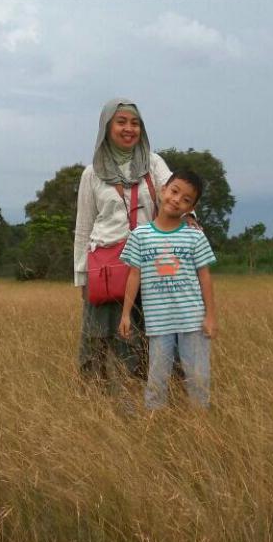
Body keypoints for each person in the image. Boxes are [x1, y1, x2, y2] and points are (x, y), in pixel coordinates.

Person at [73, 98, 172, 390]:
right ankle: (96, 398)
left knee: (145, 334)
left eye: (135, 123)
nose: (129, 129)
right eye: (121, 122)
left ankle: (145, 395)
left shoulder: (152, 163)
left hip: (148, 265)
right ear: (107, 127)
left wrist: (190, 217)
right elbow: (83, 227)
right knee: (97, 337)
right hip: (106, 267)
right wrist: (81, 275)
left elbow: (173, 192)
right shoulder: (91, 173)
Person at [118, 170, 218, 410]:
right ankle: (154, 423)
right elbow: (134, 275)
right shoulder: (140, 235)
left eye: (186, 199)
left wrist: (211, 316)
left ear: (191, 208)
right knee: (157, 378)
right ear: (163, 190)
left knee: (198, 377)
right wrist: (125, 314)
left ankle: (201, 423)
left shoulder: (194, 236)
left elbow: (205, 277)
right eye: (174, 192)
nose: (177, 200)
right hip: (158, 322)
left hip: (192, 320)